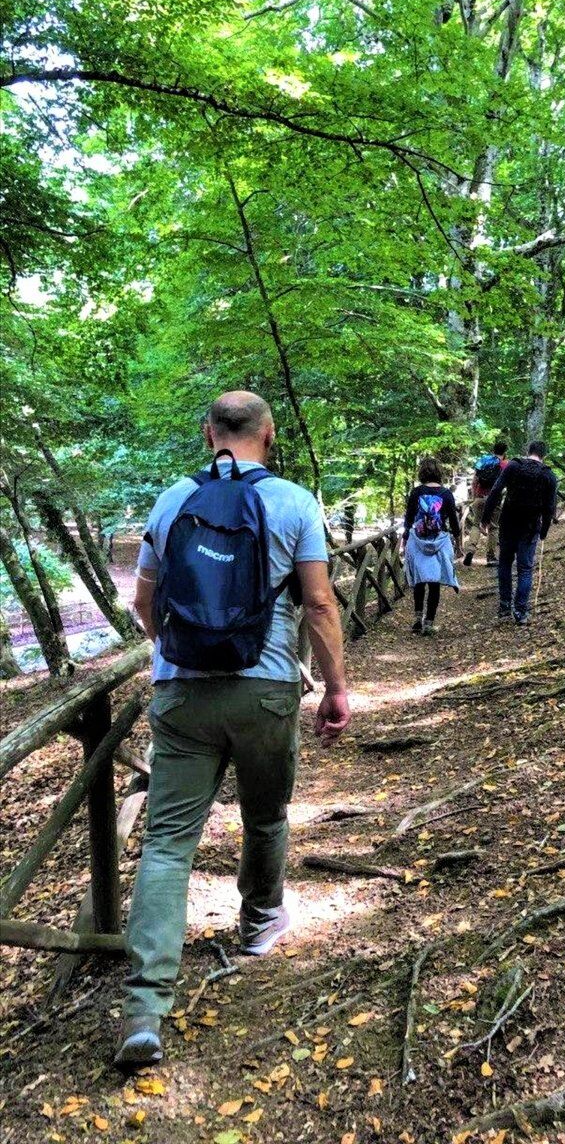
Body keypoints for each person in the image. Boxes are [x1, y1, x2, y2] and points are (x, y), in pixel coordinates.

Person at [117, 391, 350, 1071]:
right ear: (269, 434)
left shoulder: (170, 501)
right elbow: (318, 600)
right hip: (267, 688)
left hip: (182, 694)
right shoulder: (296, 502)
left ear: (207, 433)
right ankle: (257, 924)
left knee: (166, 844)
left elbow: (143, 601)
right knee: (266, 816)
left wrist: (178, 654)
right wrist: (335, 687)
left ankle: (145, 1006)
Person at [482, 441, 557, 626]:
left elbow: (496, 491)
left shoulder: (513, 465)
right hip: (530, 527)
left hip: (508, 522)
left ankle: (505, 605)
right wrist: (544, 531)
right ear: (543, 455)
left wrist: (485, 517)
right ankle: (520, 610)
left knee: (505, 563)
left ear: (528, 451)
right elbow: (550, 507)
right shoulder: (548, 475)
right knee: (525, 568)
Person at [402, 457, 461, 636]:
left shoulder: (416, 492)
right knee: (434, 582)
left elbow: (409, 518)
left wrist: (406, 538)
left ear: (422, 473)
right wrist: (458, 542)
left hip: (419, 541)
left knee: (420, 580)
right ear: (438, 472)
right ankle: (429, 622)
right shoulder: (445, 494)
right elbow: (453, 520)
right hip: (438, 542)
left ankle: (417, 618)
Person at [463, 440, 508, 566]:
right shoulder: (504, 464)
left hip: (479, 497)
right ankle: (491, 557)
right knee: (493, 527)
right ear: (505, 452)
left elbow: (474, 481)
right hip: (494, 500)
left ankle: (471, 550)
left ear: (493, 449)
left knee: (476, 524)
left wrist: (474, 497)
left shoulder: (483, 460)